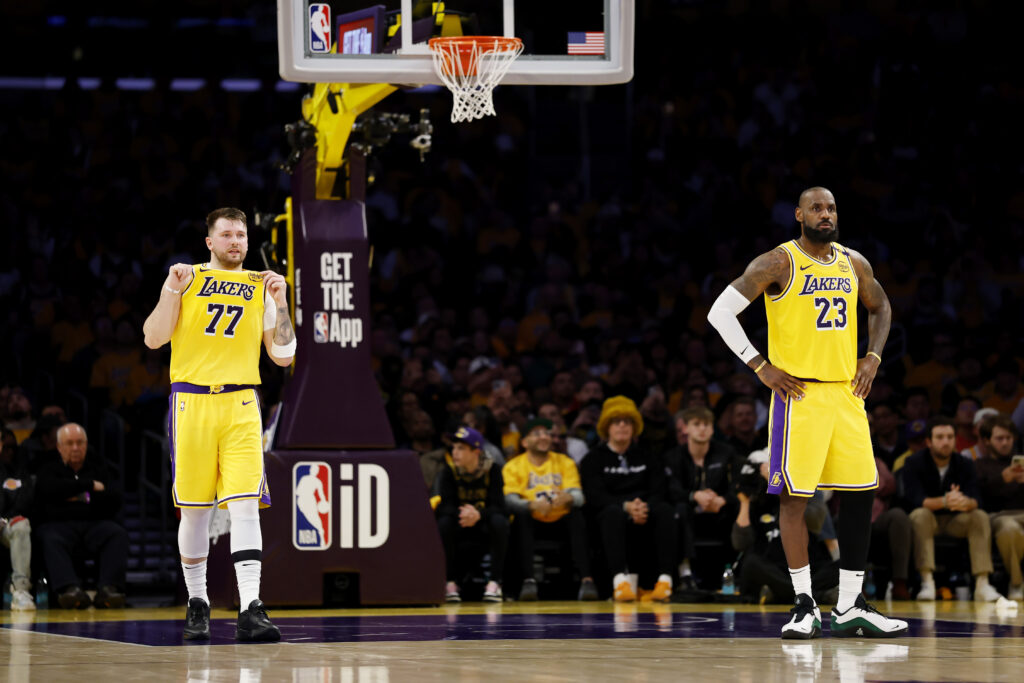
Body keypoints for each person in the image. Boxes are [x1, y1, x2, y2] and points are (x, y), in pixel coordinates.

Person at [707, 186, 906, 638]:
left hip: (847, 394)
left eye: (832, 207)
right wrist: (759, 365)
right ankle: (804, 604)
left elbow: (882, 307)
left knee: (860, 494)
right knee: (795, 499)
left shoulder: (854, 262)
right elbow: (720, 312)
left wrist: (872, 358)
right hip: (799, 395)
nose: (825, 214)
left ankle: (852, 603)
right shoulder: (777, 262)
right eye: (816, 207)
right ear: (799, 214)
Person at [143, 207, 295, 642]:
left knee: (246, 505)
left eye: (241, 235)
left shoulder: (261, 285)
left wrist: (282, 300)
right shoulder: (186, 277)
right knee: (194, 509)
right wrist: (171, 291)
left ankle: (251, 606)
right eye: (226, 234)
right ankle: (198, 602)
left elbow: (283, 356)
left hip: (242, 401)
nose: (235, 242)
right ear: (209, 242)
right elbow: (153, 337)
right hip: (192, 399)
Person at [580, 397, 677, 603]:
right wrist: (626, 506)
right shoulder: (593, 458)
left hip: (645, 509)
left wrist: (643, 507)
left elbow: (659, 489)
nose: (622, 425)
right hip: (610, 513)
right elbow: (595, 495)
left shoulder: (648, 456)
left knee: (666, 510)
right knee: (611, 513)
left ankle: (665, 580)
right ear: (607, 427)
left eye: (627, 421)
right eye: (616, 421)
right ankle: (620, 581)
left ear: (635, 427)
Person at [901, 417, 1001, 602]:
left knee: (979, 516)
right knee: (920, 515)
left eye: (949, 437)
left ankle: (982, 583)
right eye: (940, 437)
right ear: (929, 441)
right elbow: (914, 499)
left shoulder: (964, 463)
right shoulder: (914, 462)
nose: (945, 441)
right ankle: (927, 582)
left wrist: (965, 502)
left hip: (956, 520)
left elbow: (977, 498)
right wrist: (945, 501)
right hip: (928, 520)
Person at [34, 423, 127, 609]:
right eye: (69, 443)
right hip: (59, 526)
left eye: (79, 443)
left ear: (86, 445)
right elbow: (47, 495)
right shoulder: (47, 467)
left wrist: (69, 495)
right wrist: (90, 487)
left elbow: (112, 499)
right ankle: (69, 589)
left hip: (94, 524)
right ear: (59, 446)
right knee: (48, 537)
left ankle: (108, 589)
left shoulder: (99, 466)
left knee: (116, 533)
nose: (75, 448)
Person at [503, 418, 597, 601]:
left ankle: (587, 580)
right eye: (537, 433)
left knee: (577, 515)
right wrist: (531, 505)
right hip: (532, 521)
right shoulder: (513, 466)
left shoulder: (564, 462)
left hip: (560, 520)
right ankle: (528, 581)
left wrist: (568, 498)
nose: (544, 437)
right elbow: (509, 500)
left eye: (546, 433)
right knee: (521, 517)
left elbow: (579, 496)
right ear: (524, 442)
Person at [733, 449, 838, 605]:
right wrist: (744, 501)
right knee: (751, 563)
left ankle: (781, 594)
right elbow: (740, 543)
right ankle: (817, 596)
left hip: (805, 569)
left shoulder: (804, 495)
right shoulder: (757, 501)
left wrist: (784, 489)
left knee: (847, 566)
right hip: (772, 569)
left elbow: (815, 522)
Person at [663, 406, 739, 590]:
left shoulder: (726, 453)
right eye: (696, 424)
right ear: (685, 429)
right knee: (678, 509)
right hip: (689, 513)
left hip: (719, 510)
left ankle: (735, 574)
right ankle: (685, 573)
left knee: (739, 508)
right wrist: (695, 495)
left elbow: (737, 485)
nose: (702, 429)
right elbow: (670, 490)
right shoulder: (673, 456)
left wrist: (723, 500)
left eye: (707, 424)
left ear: (713, 429)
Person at [435, 426, 508, 603]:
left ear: (476, 451)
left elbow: (500, 506)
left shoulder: (493, 470)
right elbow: (445, 505)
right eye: (453, 447)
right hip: (460, 524)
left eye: (461, 448)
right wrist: (466, 514)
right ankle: (450, 583)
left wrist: (478, 515)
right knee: (444, 522)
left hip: (484, 525)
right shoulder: (449, 471)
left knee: (500, 521)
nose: (455, 452)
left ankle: (494, 583)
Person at [973, 414, 1024, 600]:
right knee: (1010, 529)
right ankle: (1017, 583)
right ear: (987, 440)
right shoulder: (979, 465)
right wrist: (1003, 479)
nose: (1005, 443)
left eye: (1008, 438)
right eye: (999, 438)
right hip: (998, 516)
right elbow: (978, 496)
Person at [0, 427, 34, 610]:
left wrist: (5, 518)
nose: (9, 451)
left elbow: (26, 499)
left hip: (6, 525)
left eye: (12, 447)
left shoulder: (20, 471)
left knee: (22, 525)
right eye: (6, 447)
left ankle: (20, 590)